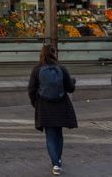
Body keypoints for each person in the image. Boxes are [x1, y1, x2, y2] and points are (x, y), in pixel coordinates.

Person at [27, 44, 77, 176]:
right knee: (59, 134)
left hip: (44, 106)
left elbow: (31, 89)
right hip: (60, 105)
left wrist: (35, 103)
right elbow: (70, 88)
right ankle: (58, 160)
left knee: (50, 135)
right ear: (54, 53)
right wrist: (72, 81)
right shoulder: (61, 68)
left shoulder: (37, 69)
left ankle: (56, 163)